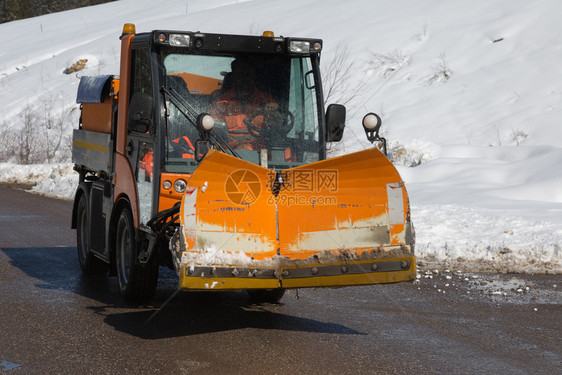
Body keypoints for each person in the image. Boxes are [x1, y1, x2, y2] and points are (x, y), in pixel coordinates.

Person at [208, 60, 281, 151]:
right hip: (229, 152)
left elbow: (279, 125)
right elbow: (212, 128)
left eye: (247, 75)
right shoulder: (221, 102)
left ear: (253, 77)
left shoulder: (266, 99)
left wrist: (273, 114)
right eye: (240, 75)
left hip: (259, 152)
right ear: (234, 77)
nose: (244, 79)